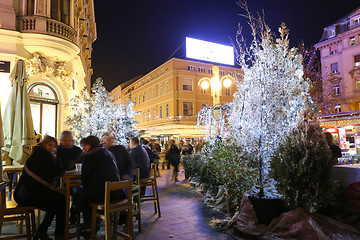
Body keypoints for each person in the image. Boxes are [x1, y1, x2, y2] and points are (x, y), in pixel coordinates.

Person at [14, 136, 65, 240]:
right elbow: (59, 171)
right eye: (50, 145)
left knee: (57, 200)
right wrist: (57, 158)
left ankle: (42, 231)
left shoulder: (36, 154)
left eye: (54, 146)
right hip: (29, 195)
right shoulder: (44, 156)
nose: (52, 148)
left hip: (22, 193)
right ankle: (58, 235)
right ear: (44, 144)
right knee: (60, 200)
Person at [79, 136, 126, 239]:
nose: (83, 149)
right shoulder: (108, 153)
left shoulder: (89, 156)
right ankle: (94, 225)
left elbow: (85, 179)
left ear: (89, 145)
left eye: (84, 146)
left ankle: (89, 229)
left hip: (105, 196)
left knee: (84, 197)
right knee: (90, 193)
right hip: (118, 193)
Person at [56, 130, 83, 224]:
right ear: (61, 140)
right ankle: (63, 218)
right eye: (65, 140)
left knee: (80, 191)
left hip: (76, 179)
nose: (68, 142)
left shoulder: (78, 150)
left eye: (70, 140)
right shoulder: (57, 150)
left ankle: (74, 210)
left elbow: (82, 164)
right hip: (60, 180)